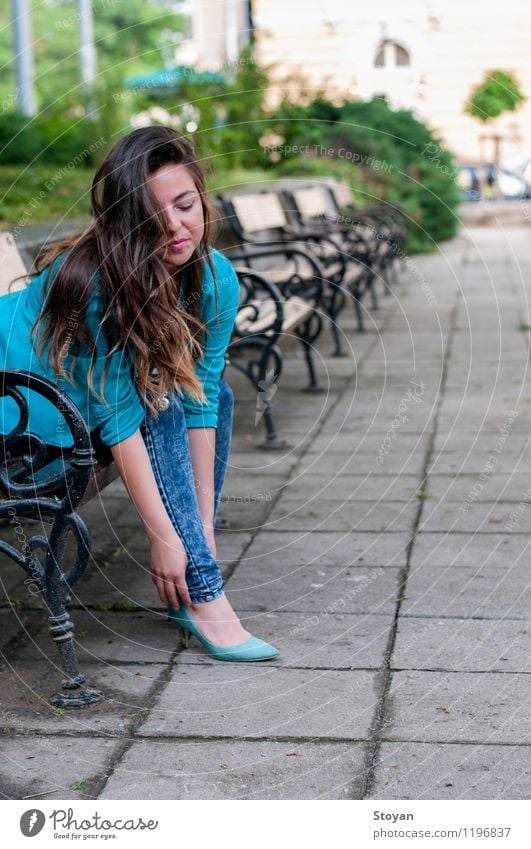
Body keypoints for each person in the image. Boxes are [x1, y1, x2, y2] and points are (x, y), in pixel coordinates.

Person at [0, 126, 278, 662]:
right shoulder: (88, 282)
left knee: (211, 394)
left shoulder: (215, 277)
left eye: (186, 204)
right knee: (159, 401)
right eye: (153, 216)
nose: (176, 227)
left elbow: (203, 399)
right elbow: (121, 416)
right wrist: (164, 537)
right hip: (20, 400)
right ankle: (203, 597)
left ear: (202, 196)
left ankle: (200, 573)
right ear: (125, 222)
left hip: (77, 398)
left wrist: (199, 533)